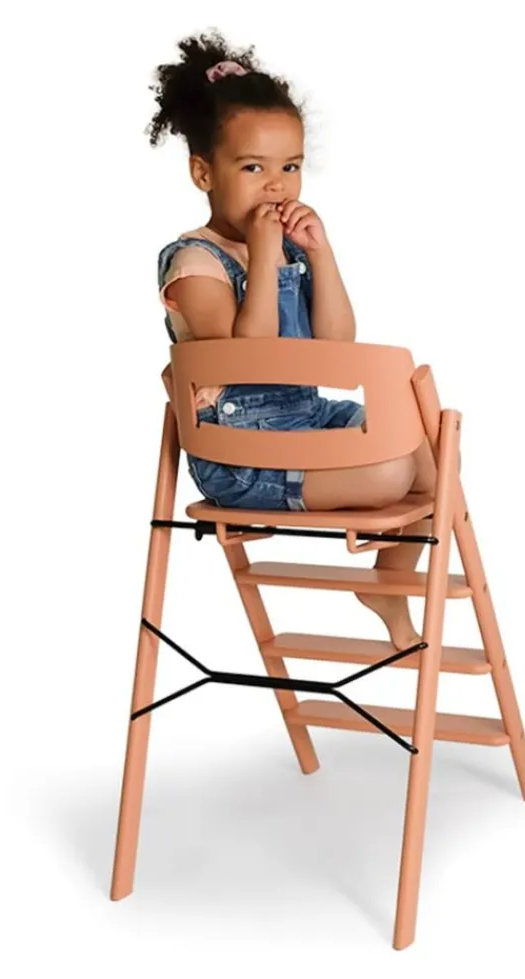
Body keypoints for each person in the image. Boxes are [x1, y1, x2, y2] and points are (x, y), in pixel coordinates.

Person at [147, 30, 435, 649]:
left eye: (291, 167)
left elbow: (336, 347)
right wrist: (265, 255)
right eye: (253, 167)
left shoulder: (288, 250)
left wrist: (320, 255)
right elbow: (247, 360)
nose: (276, 185)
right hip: (241, 451)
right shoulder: (194, 264)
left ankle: (387, 581)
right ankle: (380, 546)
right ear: (203, 172)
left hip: (303, 418)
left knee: (432, 452)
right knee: (391, 472)